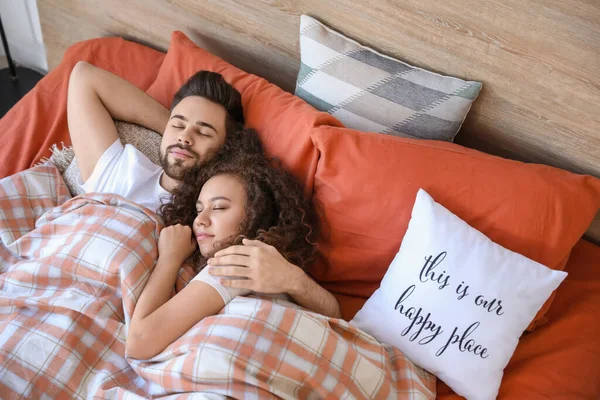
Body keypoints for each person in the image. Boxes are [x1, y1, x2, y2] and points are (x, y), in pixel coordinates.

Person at [126, 152, 342, 360]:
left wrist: (168, 259)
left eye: (219, 207)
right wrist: (295, 281)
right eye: (199, 209)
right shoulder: (270, 264)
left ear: (257, 213)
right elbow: (336, 318)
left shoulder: (235, 265)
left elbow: (139, 342)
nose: (201, 219)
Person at [67, 61, 250, 212]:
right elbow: (83, 77)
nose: (184, 136)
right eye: (178, 124)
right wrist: (171, 130)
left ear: (227, 149)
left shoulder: (209, 219)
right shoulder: (124, 171)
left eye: (203, 132)